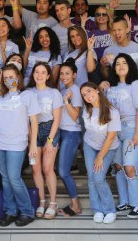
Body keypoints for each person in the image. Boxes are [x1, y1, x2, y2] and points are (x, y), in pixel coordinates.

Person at [0, 64, 40, 227]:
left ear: (18, 77)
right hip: (0, 142)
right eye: (6, 77)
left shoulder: (27, 95)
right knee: (6, 178)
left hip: (17, 143)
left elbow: (34, 121)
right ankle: (10, 211)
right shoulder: (0, 98)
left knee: (14, 178)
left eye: (12, 76)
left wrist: (33, 144)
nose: (9, 80)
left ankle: (27, 211)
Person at [100, 54, 138, 218]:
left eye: (124, 63)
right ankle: (125, 202)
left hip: (132, 128)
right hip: (115, 130)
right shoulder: (110, 87)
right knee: (119, 167)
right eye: (117, 63)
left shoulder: (135, 85)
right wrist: (100, 88)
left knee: (130, 166)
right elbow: (101, 108)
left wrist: (137, 133)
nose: (120, 65)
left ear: (131, 66)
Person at [80, 82, 121, 224]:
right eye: (84, 94)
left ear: (97, 91)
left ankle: (109, 210)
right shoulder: (87, 110)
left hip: (108, 147)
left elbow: (110, 138)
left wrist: (99, 157)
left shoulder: (112, 111)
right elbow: (88, 131)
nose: (87, 96)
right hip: (89, 145)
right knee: (91, 178)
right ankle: (97, 209)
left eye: (89, 91)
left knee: (98, 178)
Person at [26, 63, 63, 219]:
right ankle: (41, 201)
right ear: (33, 74)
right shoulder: (27, 93)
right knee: (35, 169)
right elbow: (25, 119)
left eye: (43, 73)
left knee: (48, 169)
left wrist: (49, 140)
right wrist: (31, 140)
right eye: (36, 72)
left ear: (48, 76)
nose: (39, 75)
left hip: (49, 130)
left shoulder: (54, 93)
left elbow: (57, 119)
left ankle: (53, 203)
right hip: (32, 132)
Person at [57, 60, 83, 217]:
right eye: (61, 73)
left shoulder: (75, 90)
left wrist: (66, 102)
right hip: (62, 132)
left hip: (72, 133)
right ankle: (75, 204)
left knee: (63, 171)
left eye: (67, 73)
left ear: (74, 74)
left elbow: (75, 116)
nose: (64, 76)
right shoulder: (63, 89)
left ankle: (76, 205)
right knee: (62, 170)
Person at [100, 16, 138, 86]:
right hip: (115, 90)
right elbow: (106, 75)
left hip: (134, 89)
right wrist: (103, 66)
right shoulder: (108, 51)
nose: (116, 33)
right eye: (114, 30)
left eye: (119, 29)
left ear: (127, 30)